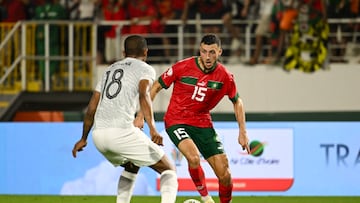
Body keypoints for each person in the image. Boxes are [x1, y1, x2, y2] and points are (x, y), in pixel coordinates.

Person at [72, 35, 178, 203]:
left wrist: (83, 138)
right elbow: (144, 95)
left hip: (99, 136)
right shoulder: (145, 68)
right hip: (121, 132)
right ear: (146, 52)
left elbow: (92, 107)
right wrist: (152, 128)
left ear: (124, 52)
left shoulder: (109, 69)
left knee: (131, 165)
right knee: (169, 170)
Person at [149, 34, 250, 203]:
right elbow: (156, 86)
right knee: (194, 158)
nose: (207, 57)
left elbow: (237, 100)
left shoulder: (225, 76)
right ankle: (206, 198)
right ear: (199, 51)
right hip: (176, 120)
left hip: (202, 122)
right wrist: (140, 115)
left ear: (219, 52)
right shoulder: (183, 66)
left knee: (225, 174)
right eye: (204, 52)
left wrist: (243, 132)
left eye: (212, 52)